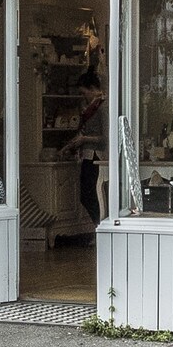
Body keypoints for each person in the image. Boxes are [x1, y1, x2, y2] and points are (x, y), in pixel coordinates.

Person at [66, 58, 107, 228]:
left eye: (84, 93)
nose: (83, 97)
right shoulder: (91, 107)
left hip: (96, 156)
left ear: (92, 89)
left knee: (90, 193)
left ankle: (100, 223)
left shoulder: (102, 106)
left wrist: (84, 139)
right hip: (87, 155)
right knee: (86, 194)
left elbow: (105, 136)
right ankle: (98, 224)